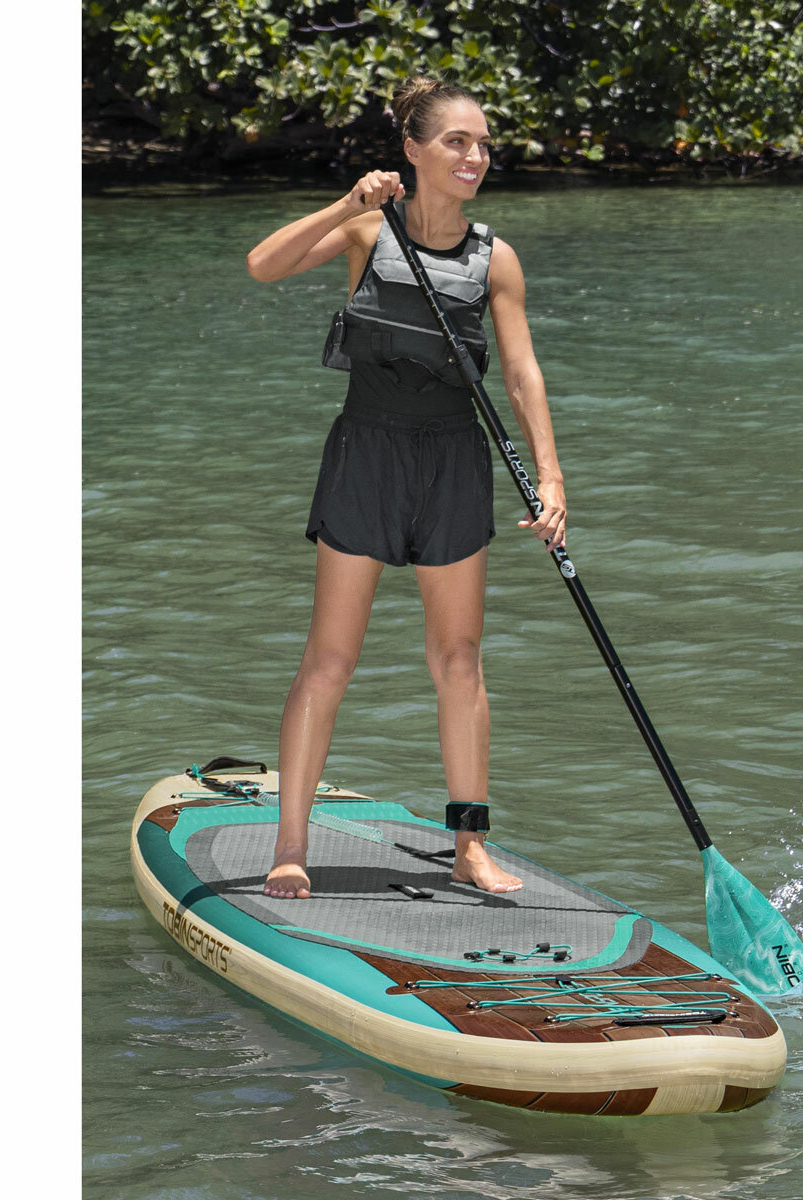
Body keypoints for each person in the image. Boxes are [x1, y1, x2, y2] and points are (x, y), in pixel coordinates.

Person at [245, 76, 567, 898]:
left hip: (454, 461)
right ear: (412, 151)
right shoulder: (367, 228)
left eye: (484, 144)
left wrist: (550, 477)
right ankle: (291, 843)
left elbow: (522, 373)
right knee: (330, 659)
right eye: (457, 141)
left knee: (459, 659)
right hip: (368, 455)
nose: (475, 156)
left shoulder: (495, 259)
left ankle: (470, 846)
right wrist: (345, 201)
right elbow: (263, 266)